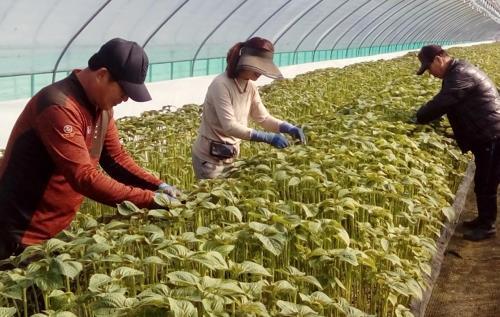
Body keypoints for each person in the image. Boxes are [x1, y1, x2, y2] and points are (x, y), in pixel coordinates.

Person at [0, 38, 180, 260]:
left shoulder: (101, 107)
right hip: (18, 232)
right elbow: (84, 177)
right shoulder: (58, 105)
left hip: (54, 230)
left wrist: (161, 187)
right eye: (124, 90)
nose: (125, 99)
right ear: (102, 75)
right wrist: (150, 199)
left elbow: (116, 159)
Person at [414, 44, 500, 241]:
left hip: (492, 134)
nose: (430, 73)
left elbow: (443, 102)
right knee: (483, 181)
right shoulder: (458, 71)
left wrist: (419, 117)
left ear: (438, 59)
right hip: (488, 133)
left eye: (429, 68)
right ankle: (483, 219)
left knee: (487, 182)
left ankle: (487, 226)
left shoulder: (459, 74)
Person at [192, 37, 306, 179]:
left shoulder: (250, 86)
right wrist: (266, 137)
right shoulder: (221, 85)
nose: (260, 72)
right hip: (209, 160)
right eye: (257, 66)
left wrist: (288, 128)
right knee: (213, 197)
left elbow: (263, 118)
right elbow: (230, 126)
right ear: (245, 62)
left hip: (230, 155)